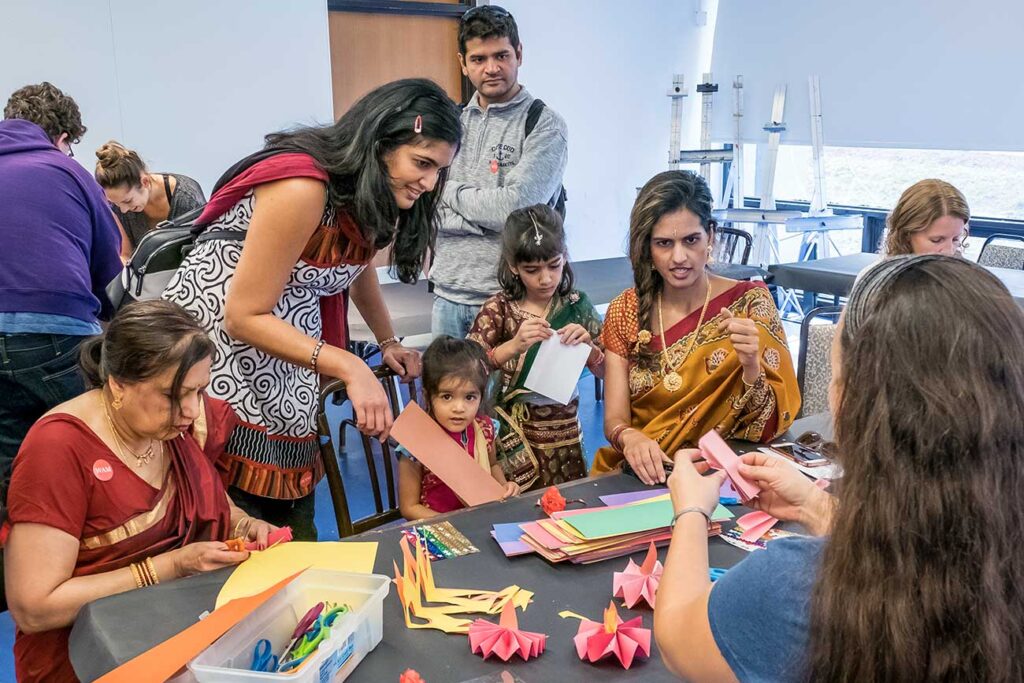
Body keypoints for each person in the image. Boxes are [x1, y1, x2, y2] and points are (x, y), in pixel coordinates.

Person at [655, 255, 1024, 682]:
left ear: (853, 401)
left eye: (834, 376)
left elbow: (677, 637)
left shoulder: (794, 588)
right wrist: (815, 506)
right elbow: (917, 549)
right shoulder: (998, 556)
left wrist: (692, 513)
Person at [164, 78, 461, 539]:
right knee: (234, 506)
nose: (429, 182)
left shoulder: (370, 193)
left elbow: (352, 262)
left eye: (439, 169)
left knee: (288, 495)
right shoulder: (303, 186)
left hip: (281, 342)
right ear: (379, 144)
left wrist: (385, 342)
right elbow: (242, 315)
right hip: (220, 344)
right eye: (421, 163)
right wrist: (349, 366)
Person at [3, 301, 276, 683]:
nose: (191, 410)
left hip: (183, 626)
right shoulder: (59, 449)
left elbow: (209, 497)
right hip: (91, 653)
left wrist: (243, 525)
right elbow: (34, 607)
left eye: (199, 391)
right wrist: (170, 567)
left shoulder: (174, 428)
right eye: (172, 395)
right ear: (117, 383)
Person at [594, 171, 800, 485]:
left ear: (711, 236)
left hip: (723, 478)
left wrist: (750, 366)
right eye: (664, 243)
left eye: (691, 240)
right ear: (647, 248)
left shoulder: (749, 305)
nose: (680, 257)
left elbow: (771, 427)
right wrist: (630, 438)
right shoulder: (626, 310)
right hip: (643, 475)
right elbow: (615, 420)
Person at [0, 83, 122, 519]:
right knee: (96, 451)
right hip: (58, 334)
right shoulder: (67, 171)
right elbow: (108, 268)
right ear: (64, 137)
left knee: (9, 475)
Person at [430, 4, 569, 338]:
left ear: (519, 54)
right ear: (462, 63)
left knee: (510, 394)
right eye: (478, 59)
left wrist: (448, 190)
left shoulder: (544, 125)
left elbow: (513, 211)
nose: (491, 68)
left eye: (501, 56)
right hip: (447, 296)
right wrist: (482, 221)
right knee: (445, 392)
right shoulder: (452, 125)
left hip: (513, 302)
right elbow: (425, 206)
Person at [467, 204, 603, 489]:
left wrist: (590, 351)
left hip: (567, 433)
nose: (546, 278)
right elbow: (466, 370)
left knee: (569, 508)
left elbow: (610, 373)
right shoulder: (499, 308)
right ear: (513, 266)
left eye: (554, 265)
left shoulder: (578, 306)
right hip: (515, 435)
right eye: (532, 270)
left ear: (565, 257)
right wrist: (513, 346)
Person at [397, 336, 519, 520]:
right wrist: (452, 526)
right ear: (428, 396)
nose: (459, 408)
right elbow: (409, 507)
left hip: (481, 522)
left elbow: (492, 465)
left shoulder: (485, 429)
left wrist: (504, 488)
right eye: (447, 397)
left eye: (470, 397)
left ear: (481, 396)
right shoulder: (415, 443)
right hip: (437, 531)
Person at [94, 140, 206, 258]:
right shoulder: (118, 205)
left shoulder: (187, 198)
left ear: (145, 182)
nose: (123, 210)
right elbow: (125, 255)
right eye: (115, 204)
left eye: (128, 201)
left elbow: (205, 250)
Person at [883, 178, 970, 256]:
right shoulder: (880, 273)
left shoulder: (966, 271)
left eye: (955, 239)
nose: (949, 252)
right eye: (937, 240)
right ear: (906, 235)